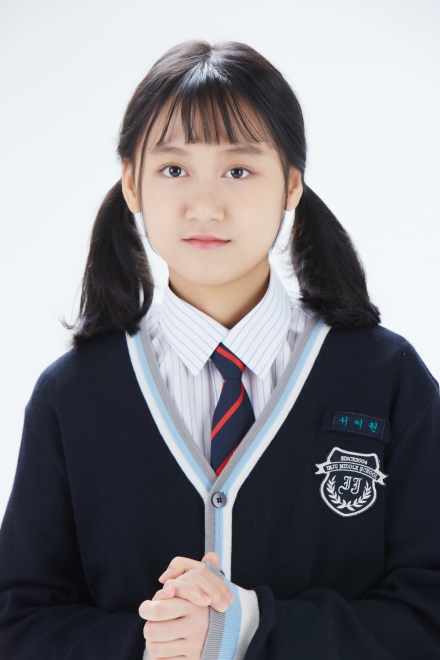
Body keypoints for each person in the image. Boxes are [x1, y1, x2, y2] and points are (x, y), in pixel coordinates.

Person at [0, 39, 439, 660]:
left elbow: (429, 610)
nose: (204, 206)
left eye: (238, 170)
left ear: (291, 184)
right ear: (132, 184)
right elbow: (19, 622)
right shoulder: (72, 396)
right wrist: (148, 642)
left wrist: (251, 625)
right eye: (173, 170)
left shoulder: (385, 379)